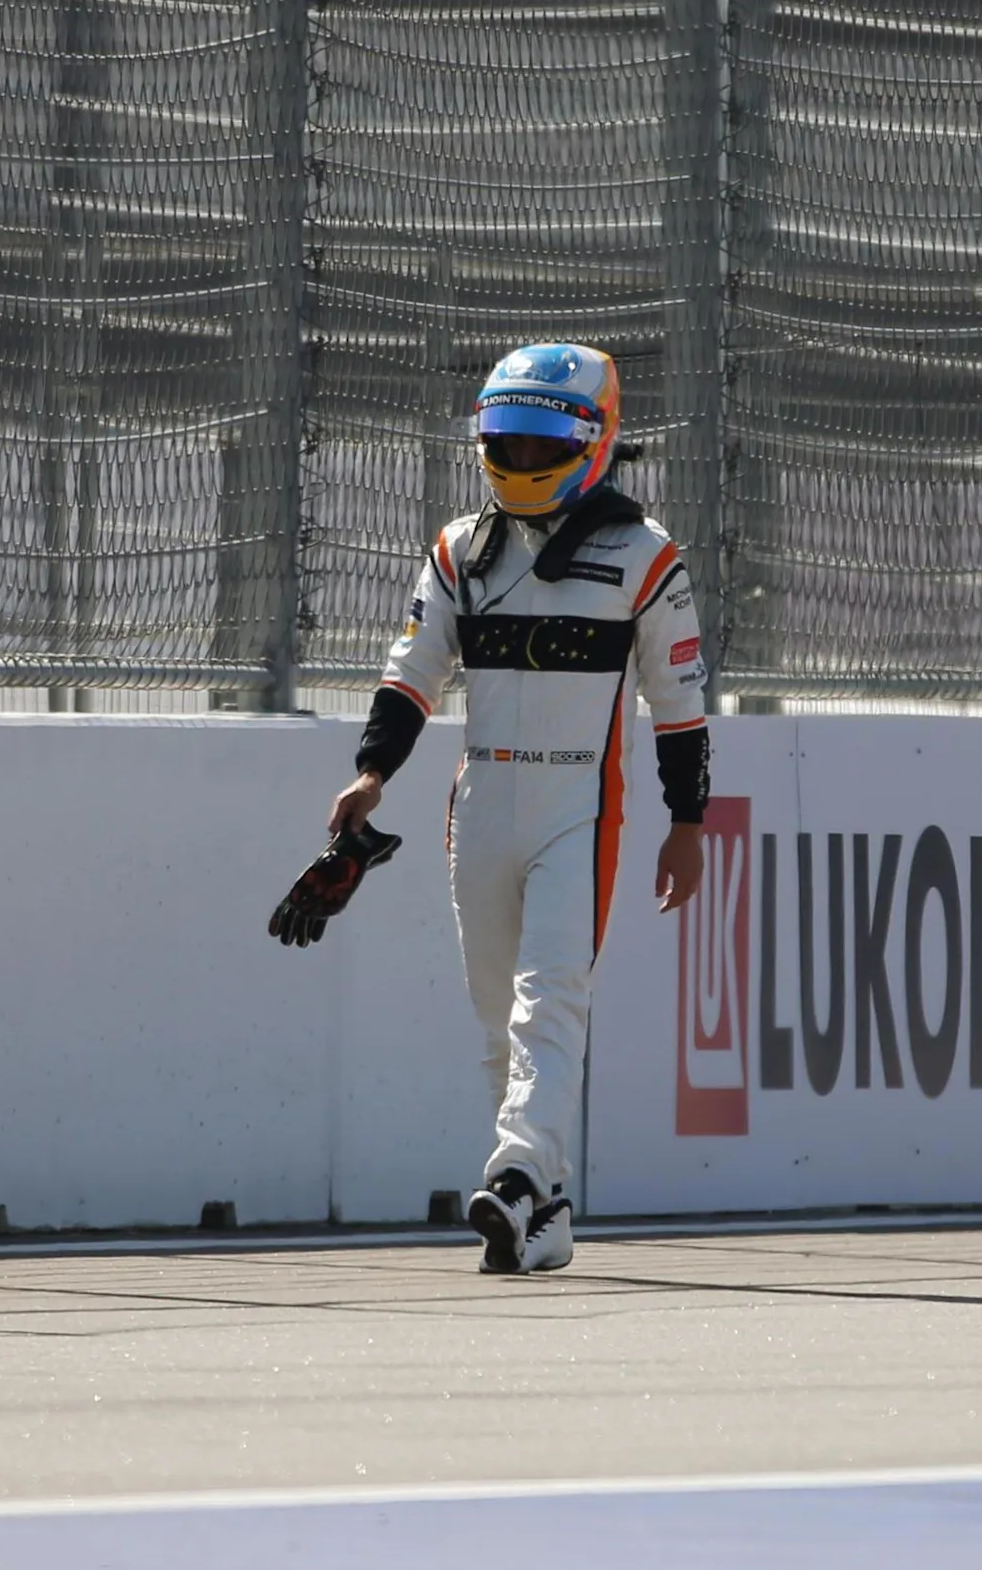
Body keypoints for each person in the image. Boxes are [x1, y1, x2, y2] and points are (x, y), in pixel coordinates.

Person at [326, 343, 709, 1275]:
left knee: (551, 1001)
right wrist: (372, 775)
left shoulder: (646, 555)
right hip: (483, 802)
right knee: (498, 1018)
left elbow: (681, 705)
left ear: (594, 441)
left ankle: (515, 1171)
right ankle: (544, 1214)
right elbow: (411, 672)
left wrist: (687, 824)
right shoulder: (459, 549)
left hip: (584, 803)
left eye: (546, 446)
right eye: (510, 443)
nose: (526, 463)